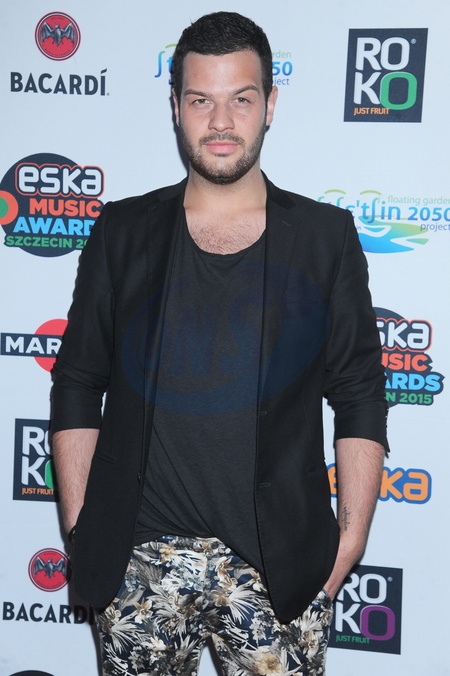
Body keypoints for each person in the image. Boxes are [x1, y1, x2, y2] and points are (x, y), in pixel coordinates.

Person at [51, 11, 388, 675]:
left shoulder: (324, 238)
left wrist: (350, 540)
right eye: (201, 100)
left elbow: (358, 391)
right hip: (139, 567)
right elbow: (79, 382)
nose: (222, 122)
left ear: (270, 105)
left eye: (242, 99)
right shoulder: (122, 231)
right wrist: (82, 526)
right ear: (176, 107)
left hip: (278, 567)